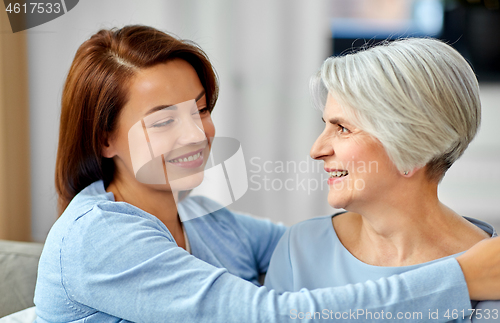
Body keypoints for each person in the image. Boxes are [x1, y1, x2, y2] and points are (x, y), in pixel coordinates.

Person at [33, 26, 500, 323]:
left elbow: (317, 245)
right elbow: (266, 315)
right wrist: (460, 276)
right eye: (163, 121)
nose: (195, 136)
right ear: (104, 140)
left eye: (200, 110)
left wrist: (432, 226)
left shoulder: (205, 222)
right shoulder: (99, 238)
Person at [264, 38, 500, 322]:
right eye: (325, 124)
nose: (316, 151)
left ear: (411, 151)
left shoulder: (492, 271)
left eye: (342, 128)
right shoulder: (300, 248)